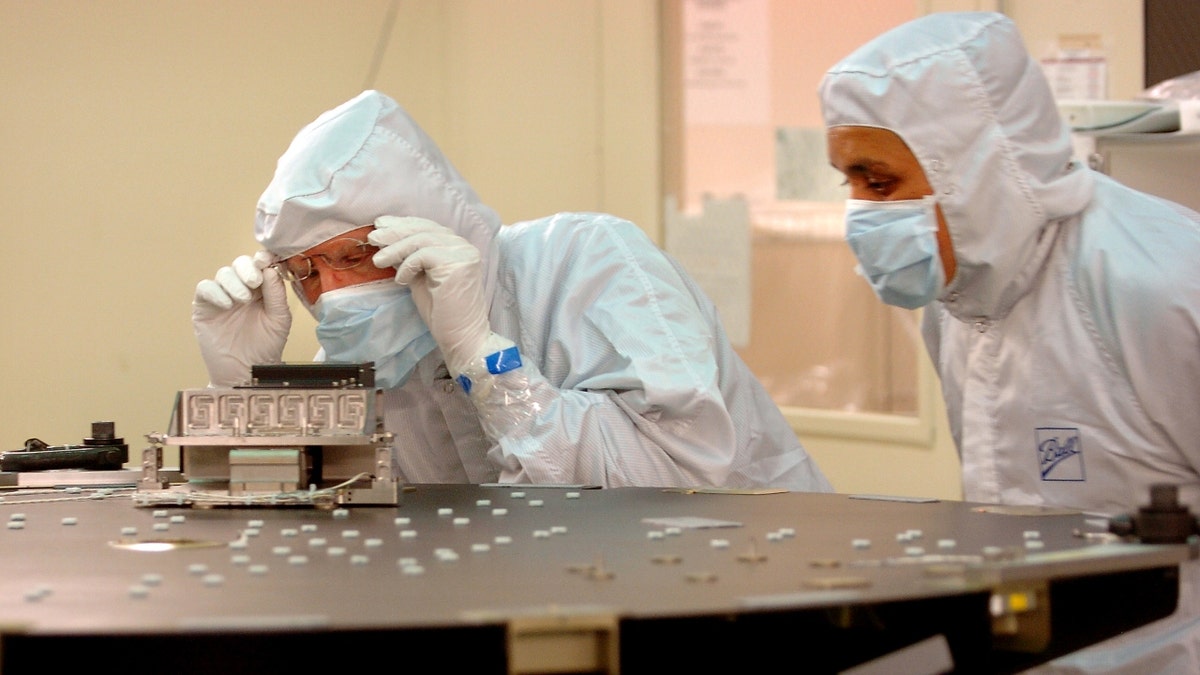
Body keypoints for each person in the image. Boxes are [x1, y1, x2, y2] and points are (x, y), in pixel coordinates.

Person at [192, 89, 832, 493]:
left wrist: (479, 355)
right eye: (305, 272)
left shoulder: (588, 260)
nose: (330, 297)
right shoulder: (363, 366)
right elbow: (322, 506)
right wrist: (249, 389)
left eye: (353, 255)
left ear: (423, 225)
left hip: (761, 598)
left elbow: (671, 479)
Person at [818, 11, 1200, 674]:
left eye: (878, 182)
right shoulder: (960, 301)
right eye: (847, 181)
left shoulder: (1159, 283)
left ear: (974, 168)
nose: (858, 211)